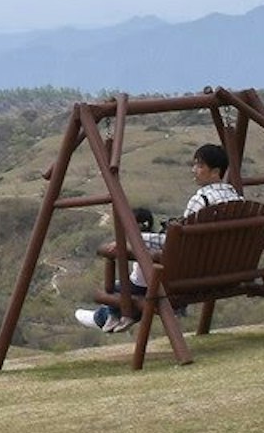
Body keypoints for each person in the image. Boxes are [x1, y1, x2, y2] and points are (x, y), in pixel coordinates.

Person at [76, 142, 245, 334]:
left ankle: (105, 317)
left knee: (121, 287)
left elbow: (178, 241)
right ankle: (110, 316)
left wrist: (136, 239)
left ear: (215, 171)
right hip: (225, 270)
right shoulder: (237, 199)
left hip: (190, 277)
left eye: (199, 166)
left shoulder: (202, 200)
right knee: (139, 287)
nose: (194, 170)